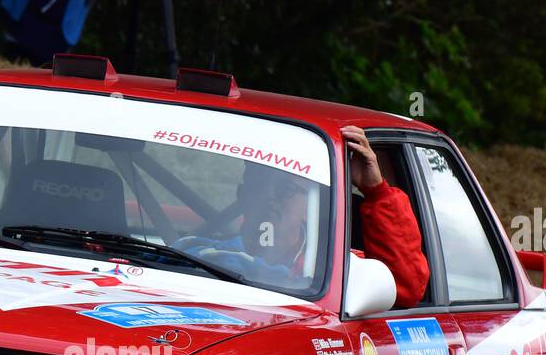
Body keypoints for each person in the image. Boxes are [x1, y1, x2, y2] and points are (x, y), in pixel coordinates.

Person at [178, 126, 429, 308]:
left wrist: (376, 191)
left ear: (312, 204)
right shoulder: (193, 255)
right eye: (261, 183)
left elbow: (405, 288)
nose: (271, 197)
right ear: (243, 193)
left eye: (287, 189)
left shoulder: (342, 270)